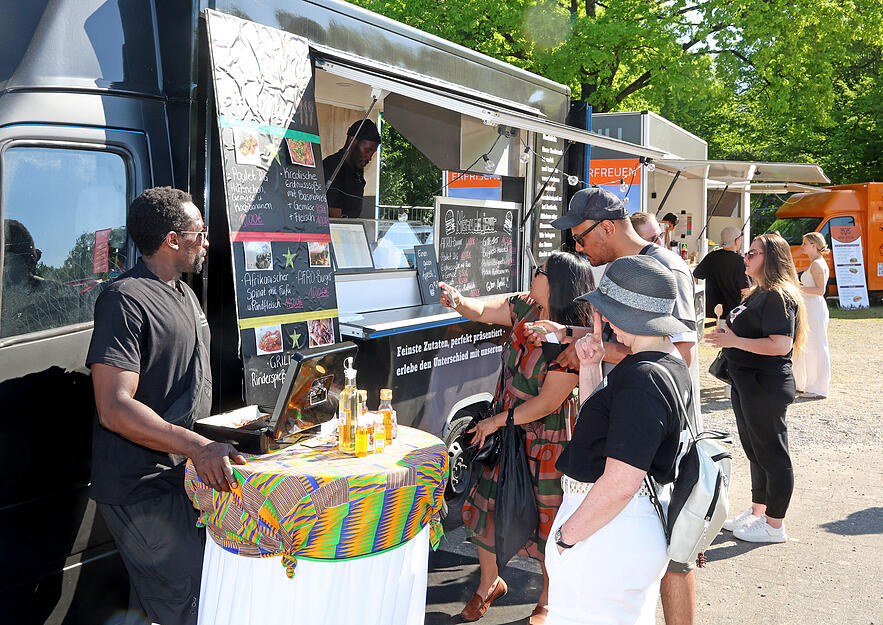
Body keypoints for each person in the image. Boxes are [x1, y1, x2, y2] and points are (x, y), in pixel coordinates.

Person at [87, 187, 246, 625]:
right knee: (189, 604)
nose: (207, 241)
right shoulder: (125, 299)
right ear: (172, 239)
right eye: (201, 231)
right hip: (142, 488)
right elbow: (114, 407)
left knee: (164, 604)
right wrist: (198, 446)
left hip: (181, 480)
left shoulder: (183, 293)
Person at [549, 187, 700, 625]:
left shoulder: (644, 376)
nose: (600, 319)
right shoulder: (652, 366)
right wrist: (594, 366)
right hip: (624, 521)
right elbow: (615, 417)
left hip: (608, 529)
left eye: (605, 310)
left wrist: (565, 539)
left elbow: (620, 482)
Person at [439, 251, 595, 625]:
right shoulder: (525, 307)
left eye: (540, 272)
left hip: (547, 441)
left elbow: (547, 403)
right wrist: (459, 301)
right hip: (506, 431)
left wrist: (496, 422)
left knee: (548, 519)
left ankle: (546, 599)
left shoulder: (570, 339)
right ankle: (489, 584)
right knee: (483, 507)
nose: (533, 275)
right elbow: (482, 310)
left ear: (557, 284)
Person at [706, 233, 807, 543]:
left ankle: (775, 525)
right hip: (747, 381)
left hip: (765, 383)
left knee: (772, 453)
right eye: (746, 253)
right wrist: (729, 331)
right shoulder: (758, 292)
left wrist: (733, 340)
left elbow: (780, 344)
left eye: (752, 254)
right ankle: (758, 511)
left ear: (771, 258)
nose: (745, 258)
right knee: (755, 451)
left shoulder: (778, 295)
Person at [792, 232, 830, 398]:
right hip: (809, 307)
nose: (802, 246)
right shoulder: (814, 263)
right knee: (806, 345)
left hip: (814, 308)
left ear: (814, 245)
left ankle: (817, 386)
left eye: (805, 243)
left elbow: (820, 291)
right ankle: (803, 383)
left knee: (815, 345)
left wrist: (797, 288)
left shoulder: (817, 265)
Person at [322, 119, 381, 218]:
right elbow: (332, 215)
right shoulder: (331, 167)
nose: (369, 158)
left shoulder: (357, 170)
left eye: (372, 153)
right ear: (352, 141)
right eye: (367, 150)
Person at [693, 226, 750, 318]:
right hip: (732, 314)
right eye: (740, 239)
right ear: (736, 241)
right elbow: (745, 290)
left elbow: (696, 275)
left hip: (711, 312)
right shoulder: (740, 261)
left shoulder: (711, 256)